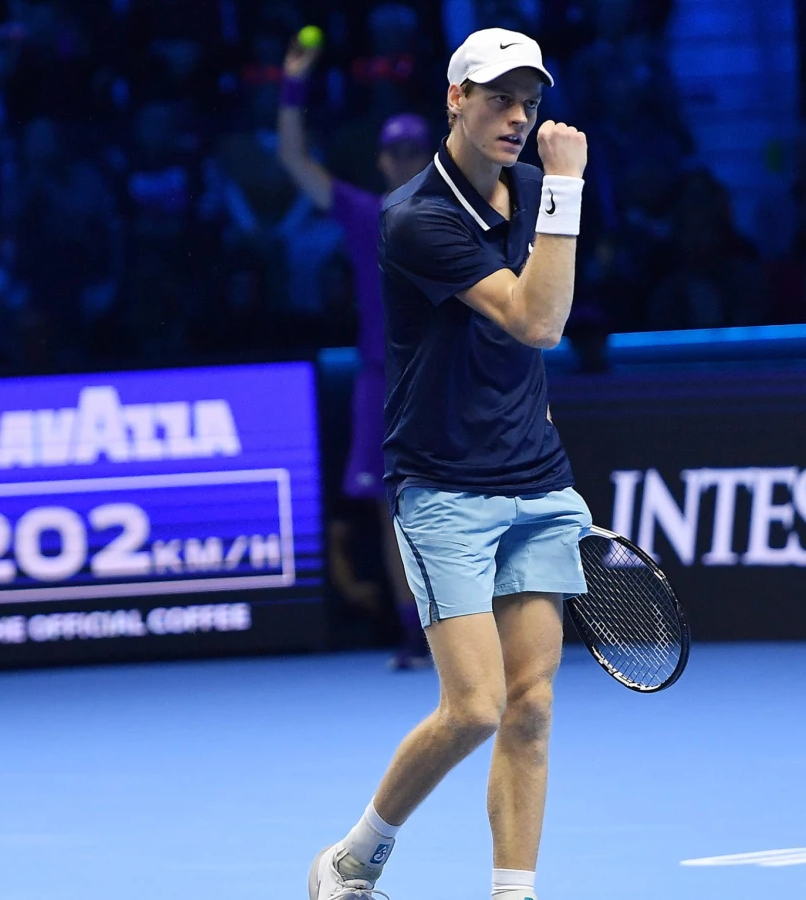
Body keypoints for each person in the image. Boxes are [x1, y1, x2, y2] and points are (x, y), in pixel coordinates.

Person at [307, 28, 591, 900]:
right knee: (475, 707)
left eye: (529, 101)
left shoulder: (537, 190)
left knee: (533, 706)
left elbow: (535, 343)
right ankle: (352, 859)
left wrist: (556, 194)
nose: (517, 116)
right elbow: (538, 322)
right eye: (498, 97)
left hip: (537, 483)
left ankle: (515, 894)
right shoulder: (416, 217)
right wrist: (571, 192)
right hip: (445, 492)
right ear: (455, 100)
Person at [276, 35, 434, 669]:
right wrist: (293, 86)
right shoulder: (362, 211)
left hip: (445, 378)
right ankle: (410, 632)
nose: (404, 161)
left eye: (415, 152)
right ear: (381, 161)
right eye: (394, 153)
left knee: (461, 504)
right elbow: (293, 159)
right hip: (380, 379)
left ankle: (481, 631)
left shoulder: (465, 211)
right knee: (391, 511)